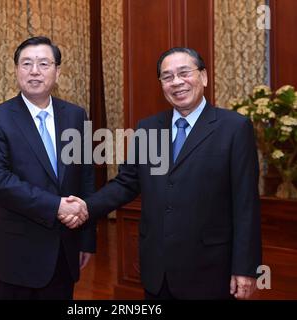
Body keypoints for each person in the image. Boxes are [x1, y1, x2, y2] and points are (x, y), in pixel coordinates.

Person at [59, 47, 262, 300]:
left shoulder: (234, 128)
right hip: (158, 270)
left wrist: (245, 268)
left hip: (211, 271)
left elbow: (246, 204)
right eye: (167, 77)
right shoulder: (149, 128)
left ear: (204, 77)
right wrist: (86, 207)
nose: (176, 82)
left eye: (184, 73)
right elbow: (126, 182)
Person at [0, 36, 95, 300]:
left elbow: (85, 176)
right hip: (14, 254)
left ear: (57, 71)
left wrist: (86, 239)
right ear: (16, 70)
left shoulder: (76, 115)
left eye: (44, 63)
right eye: (26, 64)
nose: (34, 71)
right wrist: (57, 206)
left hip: (64, 252)